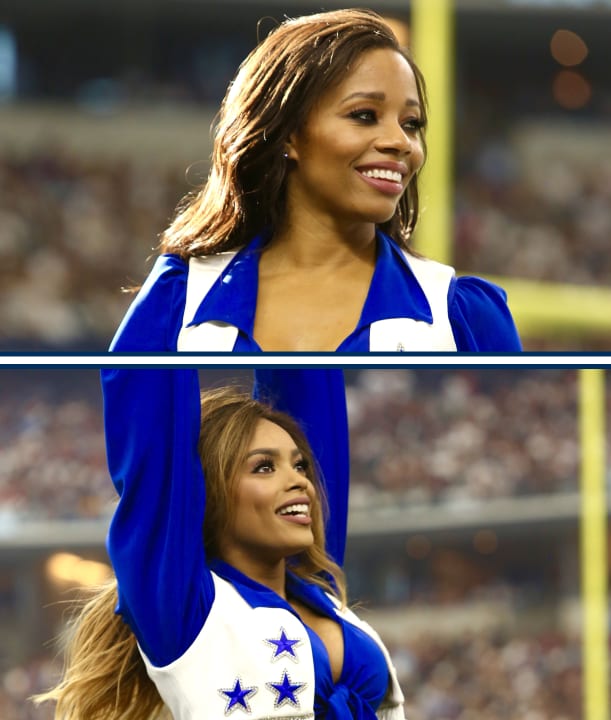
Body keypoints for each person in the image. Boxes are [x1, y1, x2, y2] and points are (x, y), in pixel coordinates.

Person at [110, 9, 520, 352]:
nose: (401, 142)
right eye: (364, 115)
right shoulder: (176, 304)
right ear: (289, 135)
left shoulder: (465, 319)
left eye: (411, 123)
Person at [35, 368, 406, 718]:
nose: (300, 482)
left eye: (300, 465)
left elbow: (306, 365)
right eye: (264, 467)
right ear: (208, 494)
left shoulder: (319, 590)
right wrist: (173, 300)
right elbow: (147, 383)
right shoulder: (186, 614)